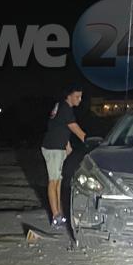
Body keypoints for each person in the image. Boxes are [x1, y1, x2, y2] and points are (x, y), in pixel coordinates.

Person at [40, 86, 86, 226]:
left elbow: (58, 126)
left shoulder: (61, 106)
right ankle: (56, 217)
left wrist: (67, 144)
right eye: (77, 96)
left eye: (81, 96)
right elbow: (75, 129)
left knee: (58, 181)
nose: (80, 99)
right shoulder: (65, 108)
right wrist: (90, 141)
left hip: (58, 147)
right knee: (53, 181)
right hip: (53, 148)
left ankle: (58, 213)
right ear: (69, 96)